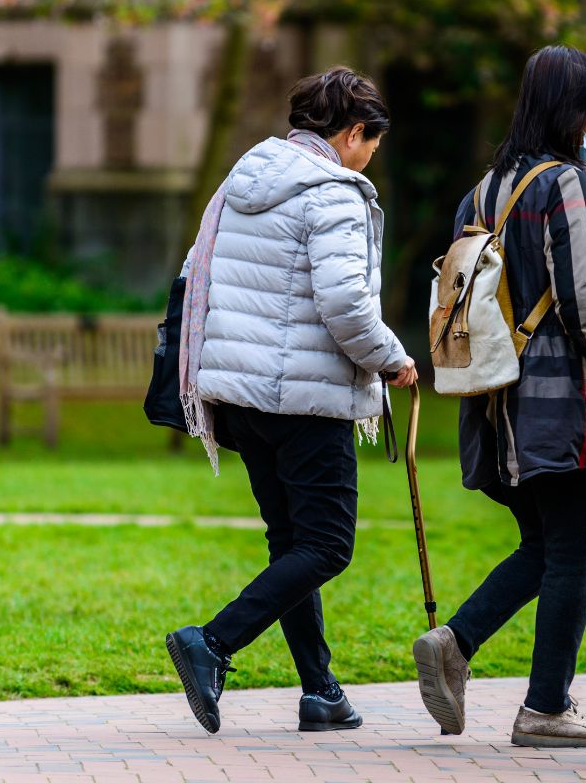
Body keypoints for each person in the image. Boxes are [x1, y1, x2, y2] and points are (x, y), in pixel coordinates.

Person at [165, 67, 417, 735]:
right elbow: (345, 302)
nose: (368, 158)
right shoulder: (332, 192)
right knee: (329, 546)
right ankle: (211, 642)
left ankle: (321, 692)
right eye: (370, 144)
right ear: (355, 132)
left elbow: (199, 273)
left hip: (241, 396)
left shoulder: (243, 180)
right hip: (304, 400)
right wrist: (393, 359)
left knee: (292, 545)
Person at [411, 45, 586, 748]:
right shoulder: (565, 184)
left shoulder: (480, 192)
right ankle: (544, 708)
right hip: (562, 401)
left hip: (495, 401)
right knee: (574, 553)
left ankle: (455, 643)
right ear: (568, 110)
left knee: (542, 544)